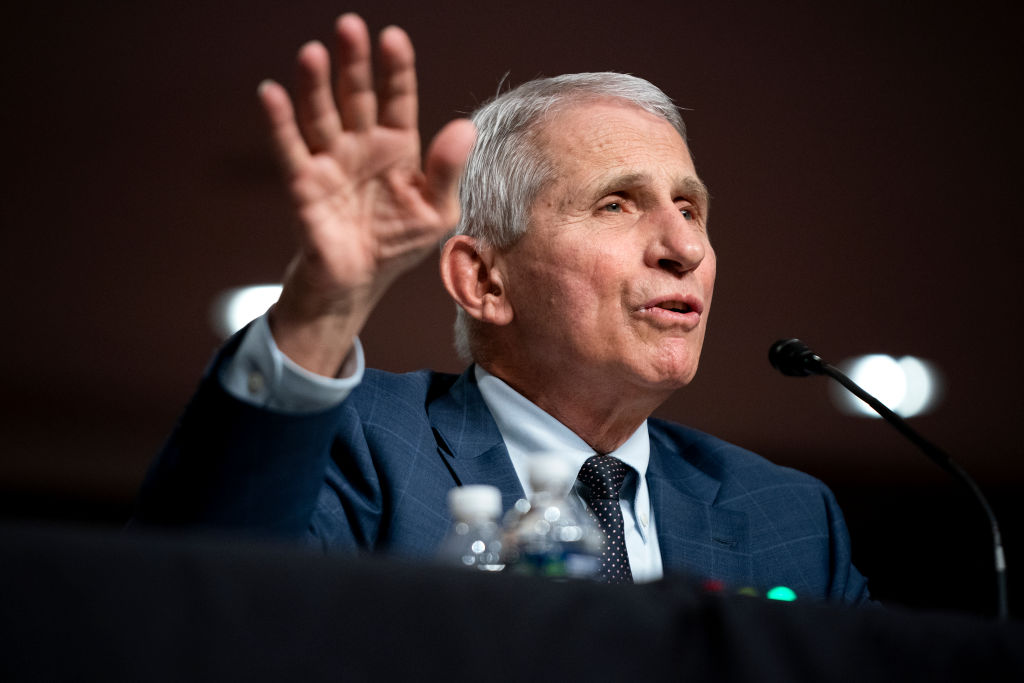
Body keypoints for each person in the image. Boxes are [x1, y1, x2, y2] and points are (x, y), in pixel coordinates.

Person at [136, 13, 869, 602]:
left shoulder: (793, 518)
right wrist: (324, 305)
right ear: (485, 280)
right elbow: (194, 594)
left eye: (691, 207)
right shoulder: (365, 447)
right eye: (616, 204)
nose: (684, 246)